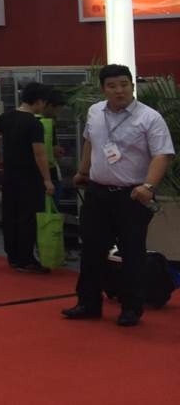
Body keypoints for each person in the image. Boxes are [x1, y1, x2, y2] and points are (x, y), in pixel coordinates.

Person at [63, 64, 175, 327]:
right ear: (103, 89)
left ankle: (131, 308)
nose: (119, 90)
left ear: (132, 86)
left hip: (132, 196)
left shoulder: (149, 118)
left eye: (124, 84)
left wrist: (148, 186)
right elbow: (90, 141)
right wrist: (83, 171)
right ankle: (88, 303)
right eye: (112, 86)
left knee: (132, 253)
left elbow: (162, 154)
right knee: (91, 250)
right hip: (97, 193)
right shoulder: (95, 112)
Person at [0, 82, 55, 273]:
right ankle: (26, 259)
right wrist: (47, 179)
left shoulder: (7, 116)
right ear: (40, 101)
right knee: (28, 217)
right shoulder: (34, 123)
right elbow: (39, 154)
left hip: (10, 174)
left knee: (11, 214)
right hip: (30, 177)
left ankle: (13, 256)